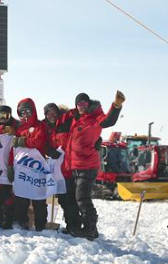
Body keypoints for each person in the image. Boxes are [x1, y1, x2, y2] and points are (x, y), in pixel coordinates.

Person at [68, 91, 125, 240]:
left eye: (84, 104)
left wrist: (116, 106)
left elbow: (108, 121)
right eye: (79, 104)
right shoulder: (76, 119)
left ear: (89, 104)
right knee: (76, 198)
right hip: (74, 165)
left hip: (88, 165)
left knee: (82, 198)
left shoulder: (95, 118)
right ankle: (85, 227)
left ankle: (89, 229)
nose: (82, 106)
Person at [43, 103, 81, 236]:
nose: (51, 116)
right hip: (57, 168)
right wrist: (49, 151)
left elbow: (83, 128)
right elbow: (44, 144)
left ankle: (75, 226)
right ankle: (70, 224)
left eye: (54, 113)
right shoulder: (46, 127)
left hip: (70, 167)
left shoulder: (68, 121)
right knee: (62, 199)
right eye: (48, 114)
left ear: (58, 113)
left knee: (70, 197)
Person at [11, 98, 48, 231]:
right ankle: (20, 221)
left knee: (39, 198)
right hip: (22, 169)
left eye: (27, 111)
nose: (25, 115)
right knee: (21, 197)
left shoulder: (40, 126)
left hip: (37, 169)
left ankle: (40, 225)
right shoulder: (19, 128)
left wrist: (21, 141)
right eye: (22, 113)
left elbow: (37, 142)